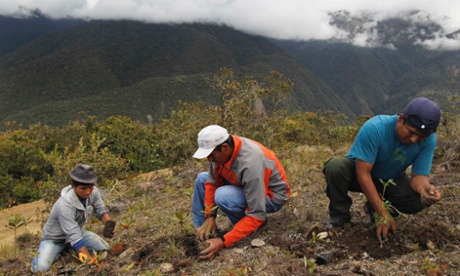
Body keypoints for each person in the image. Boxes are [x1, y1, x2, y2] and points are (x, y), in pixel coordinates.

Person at [323, 97, 442, 241]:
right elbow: (363, 174)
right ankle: (339, 216)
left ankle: (373, 207)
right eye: (411, 132)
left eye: (421, 136)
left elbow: (419, 176)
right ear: (400, 119)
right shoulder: (375, 128)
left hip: (390, 179)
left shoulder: (429, 139)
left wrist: (424, 188)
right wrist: (382, 212)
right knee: (335, 167)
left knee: (417, 201)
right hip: (357, 174)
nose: (414, 140)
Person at [191, 125, 290, 259]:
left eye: (211, 155)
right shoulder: (223, 152)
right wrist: (210, 216)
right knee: (202, 179)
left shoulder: (250, 163)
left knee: (223, 196)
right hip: (244, 183)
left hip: (271, 195)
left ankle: (251, 227)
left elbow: (257, 214)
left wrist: (224, 241)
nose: (209, 160)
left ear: (225, 147)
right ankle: (203, 230)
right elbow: (213, 183)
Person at [31, 163, 116, 273]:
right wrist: (89, 261)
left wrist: (108, 223)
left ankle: (69, 249)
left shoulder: (93, 192)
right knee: (40, 268)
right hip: (55, 239)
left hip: (76, 233)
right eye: (83, 188)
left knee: (104, 248)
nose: (87, 192)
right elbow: (73, 234)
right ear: (73, 186)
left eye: (90, 187)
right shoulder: (64, 205)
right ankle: (58, 251)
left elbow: (101, 210)